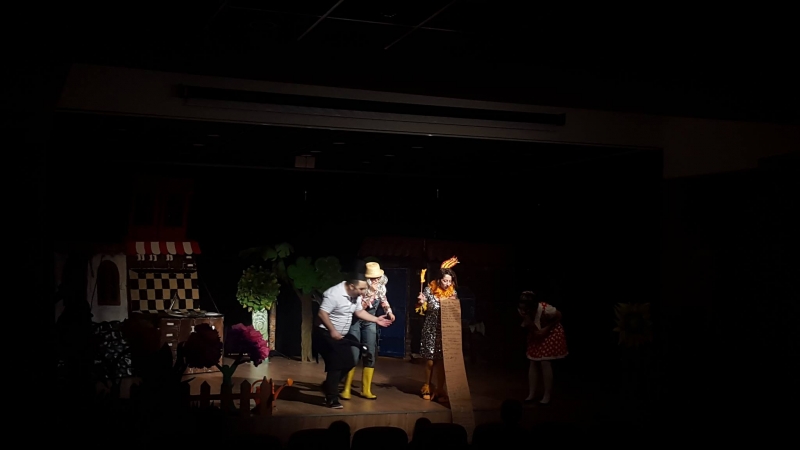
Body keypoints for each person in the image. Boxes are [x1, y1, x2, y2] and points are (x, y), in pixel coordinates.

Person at [317, 272, 392, 408]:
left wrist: (376, 319)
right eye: (361, 289)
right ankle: (332, 398)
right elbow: (322, 313)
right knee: (336, 364)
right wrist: (332, 330)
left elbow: (359, 312)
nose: (363, 292)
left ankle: (329, 385)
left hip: (341, 336)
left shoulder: (355, 295)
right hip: (326, 334)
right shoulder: (334, 294)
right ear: (351, 286)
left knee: (350, 362)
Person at [341, 262, 395, 400]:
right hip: (355, 321)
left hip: (370, 322)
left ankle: (366, 390)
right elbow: (360, 308)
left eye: (377, 277)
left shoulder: (381, 287)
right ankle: (346, 389)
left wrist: (389, 312)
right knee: (353, 354)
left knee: (370, 352)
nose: (376, 280)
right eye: (373, 278)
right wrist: (370, 292)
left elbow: (383, 300)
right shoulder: (360, 288)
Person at [416, 266, 458, 402]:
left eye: (450, 281)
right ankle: (427, 386)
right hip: (431, 330)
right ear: (439, 280)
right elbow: (421, 309)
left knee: (442, 362)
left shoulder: (453, 293)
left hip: (446, 331)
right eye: (445, 281)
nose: (447, 284)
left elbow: (455, 312)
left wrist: (454, 303)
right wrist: (421, 302)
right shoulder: (429, 290)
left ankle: (440, 389)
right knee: (430, 361)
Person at [518, 290, 568, 405]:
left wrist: (546, 329)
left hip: (551, 332)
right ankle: (531, 393)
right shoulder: (523, 310)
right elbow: (533, 328)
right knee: (533, 361)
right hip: (538, 332)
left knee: (545, 361)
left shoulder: (546, 309)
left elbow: (559, 315)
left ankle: (547, 395)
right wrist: (533, 328)